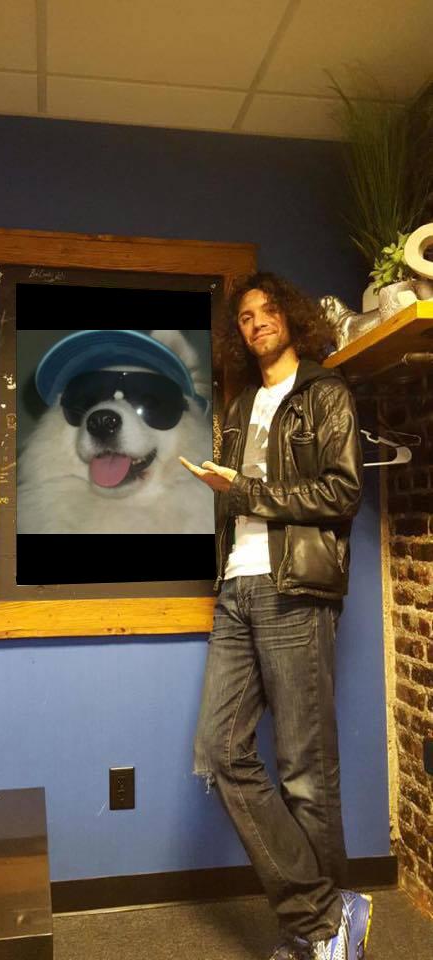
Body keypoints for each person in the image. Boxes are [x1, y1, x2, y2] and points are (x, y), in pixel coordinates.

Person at [180, 272, 372, 960]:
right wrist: (226, 491)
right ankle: (325, 917)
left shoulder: (324, 393)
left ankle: (313, 934)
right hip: (237, 589)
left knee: (304, 772)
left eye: (266, 311)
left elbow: (342, 491)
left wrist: (249, 491)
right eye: (245, 317)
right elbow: (239, 500)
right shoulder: (240, 406)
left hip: (295, 589)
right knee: (220, 752)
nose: (257, 322)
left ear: (289, 317)